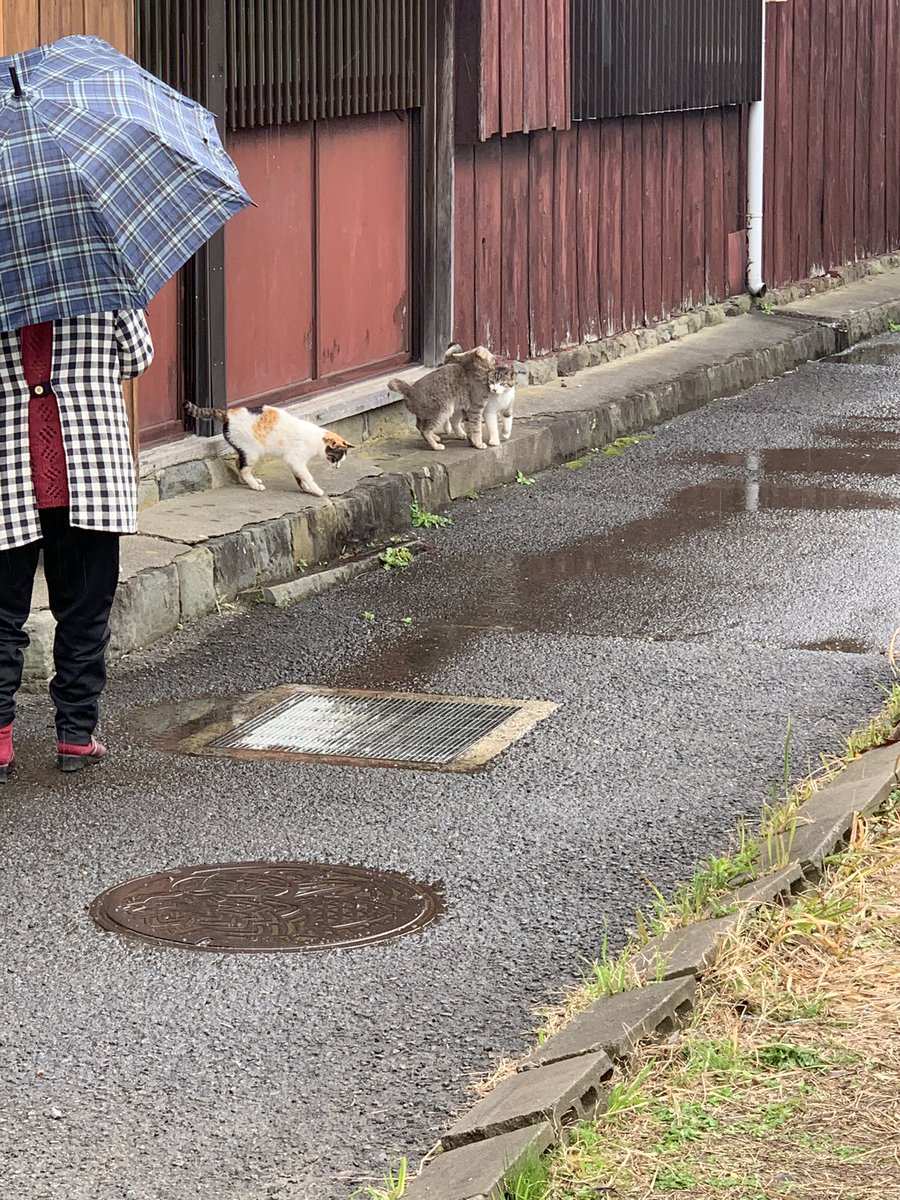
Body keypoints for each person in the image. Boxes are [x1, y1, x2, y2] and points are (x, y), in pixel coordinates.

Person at [0, 310, 154, 779]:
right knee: (85, 608)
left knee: (1, 613)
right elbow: (138, 357)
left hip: (7, 463)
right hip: (91, 466)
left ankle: (0, 741)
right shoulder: (99, 274)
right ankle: (75, 734)